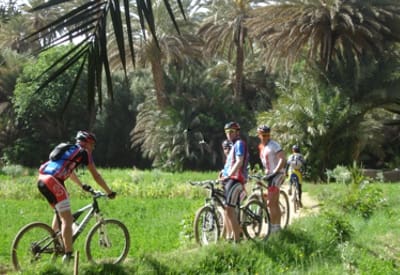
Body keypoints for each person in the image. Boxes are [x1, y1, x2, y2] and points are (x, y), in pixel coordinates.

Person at [37, 131, 116, 262]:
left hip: (42, 180)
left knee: (60, 213)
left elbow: (69, 171)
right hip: (53, 180)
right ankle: (68, 254)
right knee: (67, 219)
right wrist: (109, 192)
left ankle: (57, 244)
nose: (93, 148)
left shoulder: (69, 150)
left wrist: (82, 185)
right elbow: (96, 175)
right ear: (87, 143)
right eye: (92, 145)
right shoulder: (84, 153)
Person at [220, 122, 249, 242]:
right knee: (229, 209)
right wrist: (223, 173)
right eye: (227, 132)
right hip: (230, 179)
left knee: (230, 210)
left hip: (235, 179)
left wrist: (230, 174)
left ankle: (237, 241)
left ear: (237, 132)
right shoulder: (233, 146)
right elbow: (230, 163)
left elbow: (239, 161)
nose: (229, 134)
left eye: (231, 131)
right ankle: (231, 236)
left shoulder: (239, 144)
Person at [257, 125, 286, 233]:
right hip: (269, 174)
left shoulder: (274, 145)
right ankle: (275, 226)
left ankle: (276, 229)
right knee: (269, 200)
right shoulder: (261, 147)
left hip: (277, 175)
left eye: (267, 135)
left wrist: (275, 172)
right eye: (263, 135)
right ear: (259, 135)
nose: (265, 137)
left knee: (272, 203)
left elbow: (282, 159)